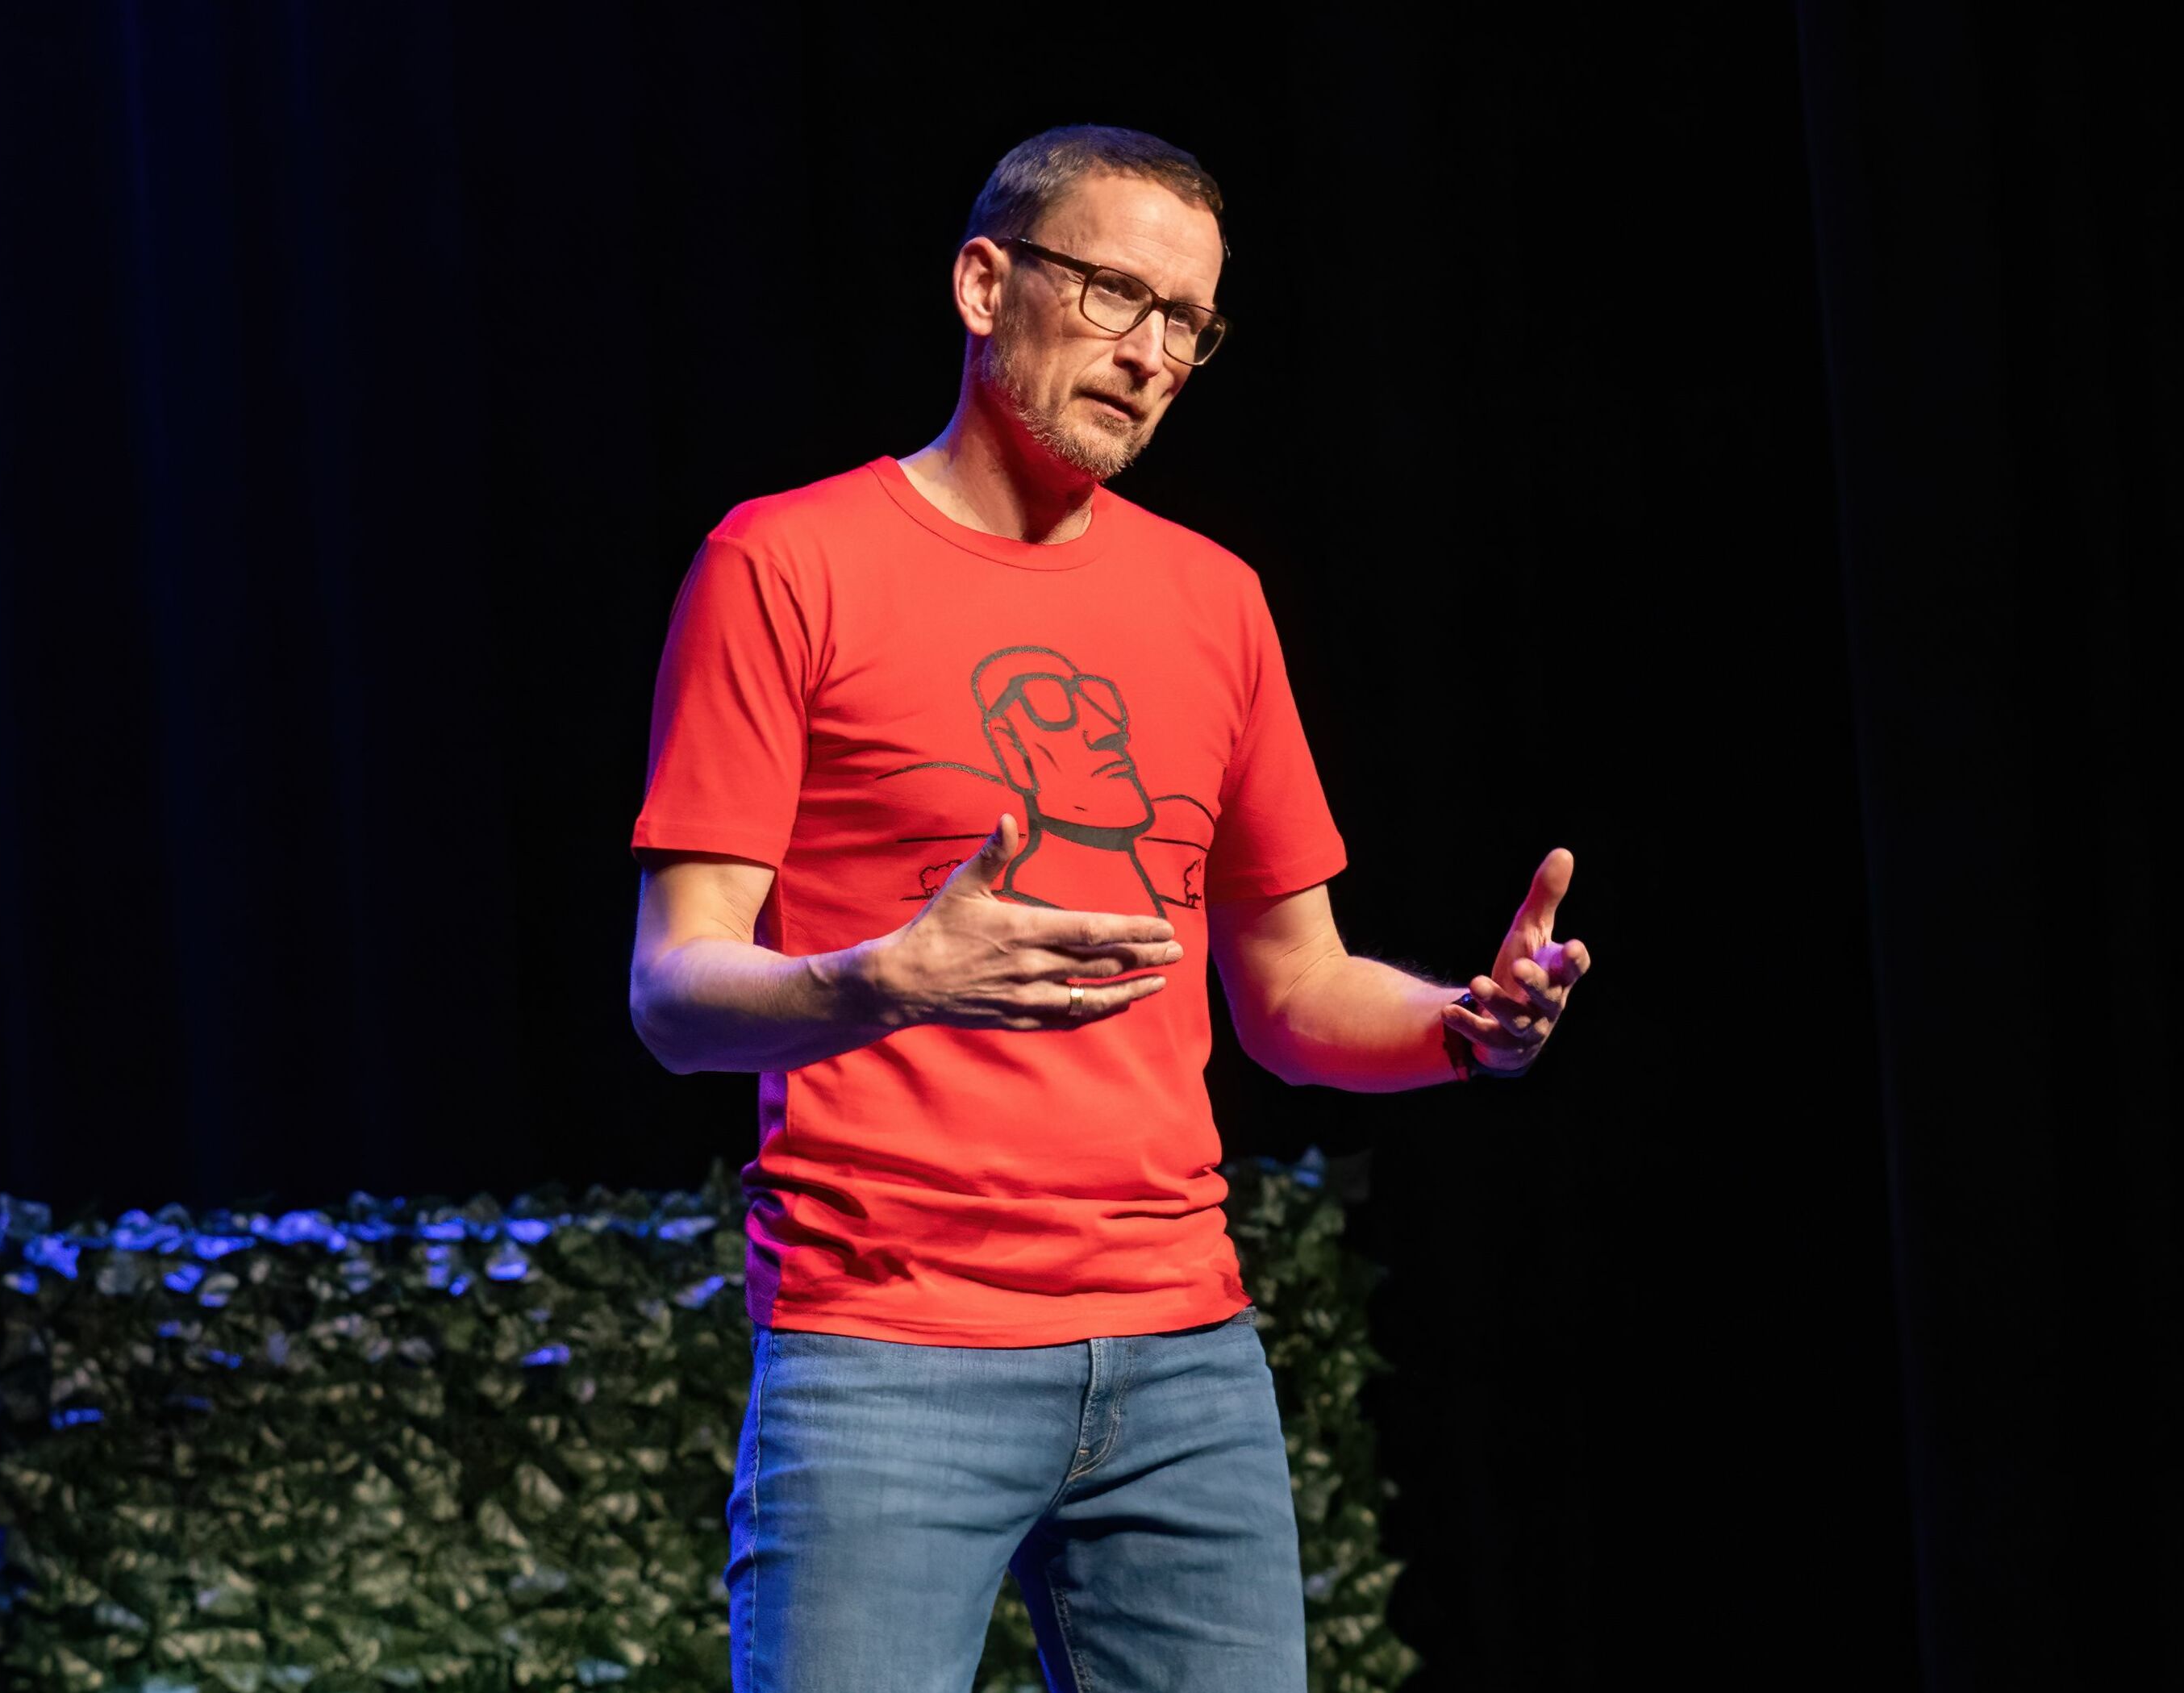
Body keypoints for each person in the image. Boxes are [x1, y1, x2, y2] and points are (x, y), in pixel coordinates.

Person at [623, 125, 1590, 1691]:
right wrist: (891, 978)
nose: (1152, 356)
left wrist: (1461, 1033)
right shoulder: (786, 564)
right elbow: (673, 995)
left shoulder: (1213, 600)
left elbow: (1293, 995)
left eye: (1188, 324)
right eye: (1114, 296)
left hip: (1183, 1363)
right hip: (887, 1350)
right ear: (983, 281)